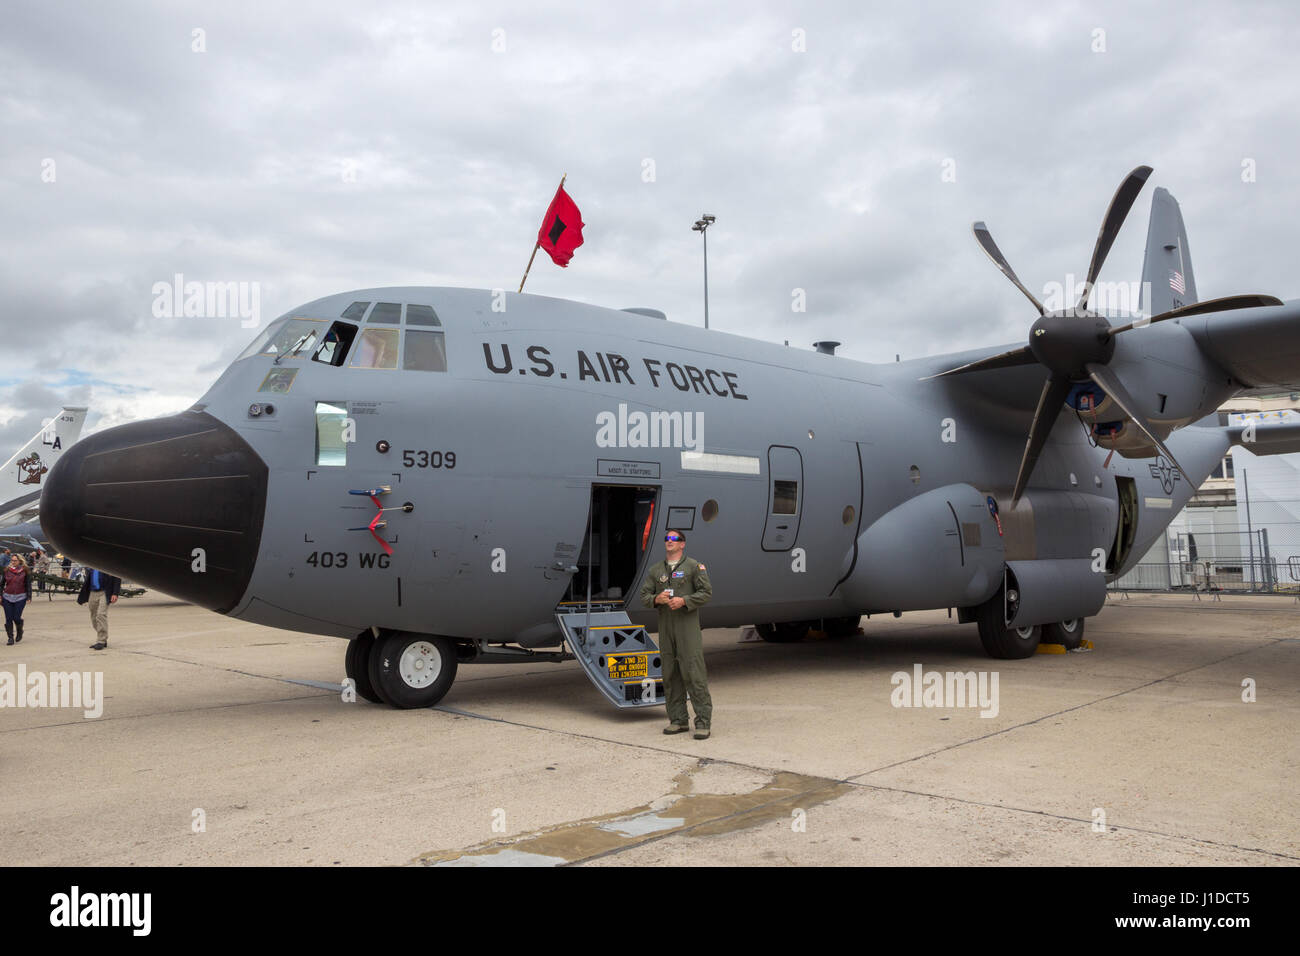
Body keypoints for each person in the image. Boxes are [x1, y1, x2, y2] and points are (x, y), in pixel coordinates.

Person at [639, 529, 714, 739]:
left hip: (687, 627)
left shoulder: (694, 567)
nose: (669, 541)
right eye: (667, 538)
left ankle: (703, 722)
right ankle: (678, 720)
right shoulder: (656, 570)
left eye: (674, 539)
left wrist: (685, 601)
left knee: (693, 672)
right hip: (666, 628)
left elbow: (706, 593)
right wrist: (657, 599)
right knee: (670, 674)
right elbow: (644, 595)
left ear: (682, 544)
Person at [77, 567, 121, 650]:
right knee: (94, 617)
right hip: (92, 592)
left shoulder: (107, 563)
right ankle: (102, 637)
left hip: (105, 591)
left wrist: (115, 593)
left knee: (101, 614)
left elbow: (117, 577)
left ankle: (101, 640)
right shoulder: (91, 564)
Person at [3, 552, 32, 645]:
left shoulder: (25, 571)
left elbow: (28, 584)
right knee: (8, 618)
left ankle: (20, 630)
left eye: (15, 561)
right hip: (7, 597)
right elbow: (1, 584)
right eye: (12, 560)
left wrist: (29, 596)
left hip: (20, 597)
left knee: (16, 617)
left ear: (20, 561)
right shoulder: (7, 570)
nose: (13, 562)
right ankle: (10, 638)